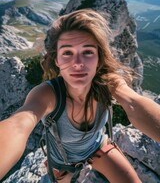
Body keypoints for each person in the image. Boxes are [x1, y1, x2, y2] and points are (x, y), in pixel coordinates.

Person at [0, 9, 160, 183]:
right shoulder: (47, 94)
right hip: (63, 165)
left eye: (88, 52)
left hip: (99, 147)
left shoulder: (108, 83)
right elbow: (18, 125)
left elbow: (134, 103)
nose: (77, 63)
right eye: (67, 53)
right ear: (57, 60)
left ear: (99, 58)